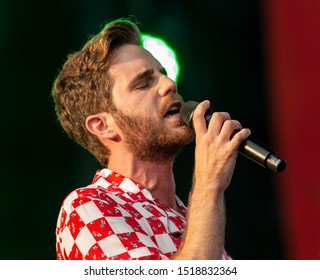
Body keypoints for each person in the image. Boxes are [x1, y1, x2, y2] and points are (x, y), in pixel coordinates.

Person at [52, 18, 251, 260]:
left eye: (163, 74)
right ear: (103, 126)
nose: (169, 84)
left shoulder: (193, 219)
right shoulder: (87, 208)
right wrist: (209, 184)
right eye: (144, 84)